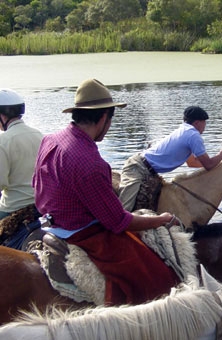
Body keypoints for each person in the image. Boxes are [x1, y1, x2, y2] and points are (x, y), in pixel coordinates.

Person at [32, 78, 180, 306]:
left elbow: (36, 183)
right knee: (156, 276)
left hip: (48, 222)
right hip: (79, 232)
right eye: (110, 119)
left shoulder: (50, 139)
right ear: (103, 118)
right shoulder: (90, 162)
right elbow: (117, 222)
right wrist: (160, 219)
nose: (109, 125)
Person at [118, 105, 222, 212]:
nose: (205, 126)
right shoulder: (193, 135)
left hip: (146, 168)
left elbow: (192, 163)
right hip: (137, 167)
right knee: (124, 210)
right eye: (204, 122)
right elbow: (208, 165)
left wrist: (220, 160)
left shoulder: (184, 131)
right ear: (198, 123)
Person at [0, 89, 43, 221]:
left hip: (13, 207)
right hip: (41, 204)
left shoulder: (3, 141)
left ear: (2, 116)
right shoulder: (39, 135)